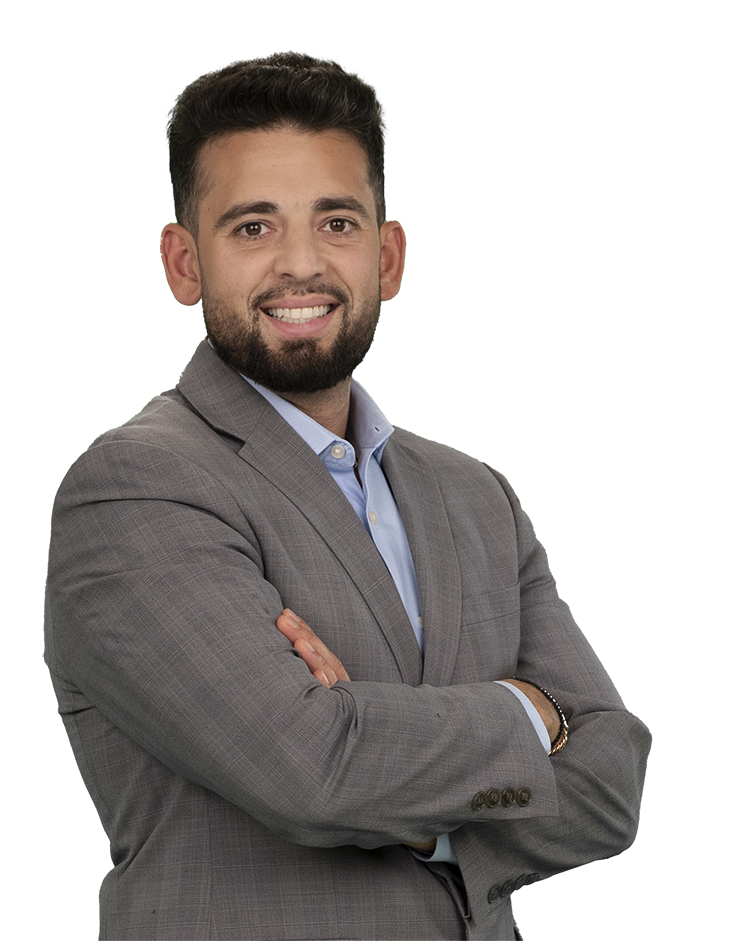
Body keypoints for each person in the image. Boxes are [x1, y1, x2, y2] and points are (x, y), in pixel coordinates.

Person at [46, 52, 651, 941]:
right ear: (184, 262)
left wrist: (398, 790)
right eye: (253, 226)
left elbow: (613, 789)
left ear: (386, 254)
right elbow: (312, 768)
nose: (301, 264)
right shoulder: (135, 490)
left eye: (336, 222)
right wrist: (532, 711)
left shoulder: (476, 498)